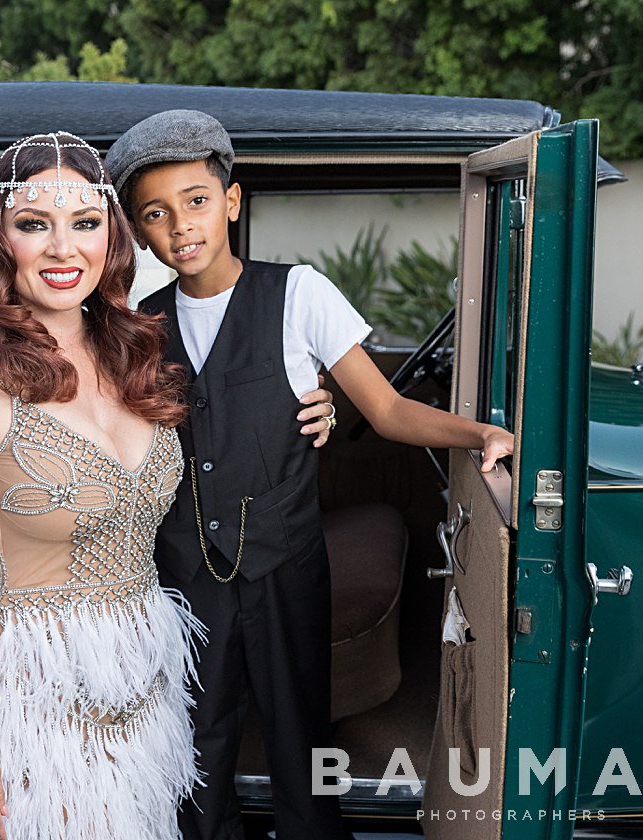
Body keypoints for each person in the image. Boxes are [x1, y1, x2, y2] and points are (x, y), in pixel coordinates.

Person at [106, 109, 515, 840]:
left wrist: (479, 432)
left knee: (301, 736)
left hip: (286, 561)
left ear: (231, 201)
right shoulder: (141, 319)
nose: (181, 226)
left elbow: (386, 411)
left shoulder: (299, 294)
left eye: (197, 201)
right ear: (139, 233)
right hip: (184, 572)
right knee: (198, 741)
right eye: (155, 215)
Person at [0, 131, 207, 840]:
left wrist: (325, 402)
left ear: (113, 238)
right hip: (29, 703)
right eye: (35, 225)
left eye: (86, 224)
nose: (64, 249)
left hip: (142, 694)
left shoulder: (132, 350)